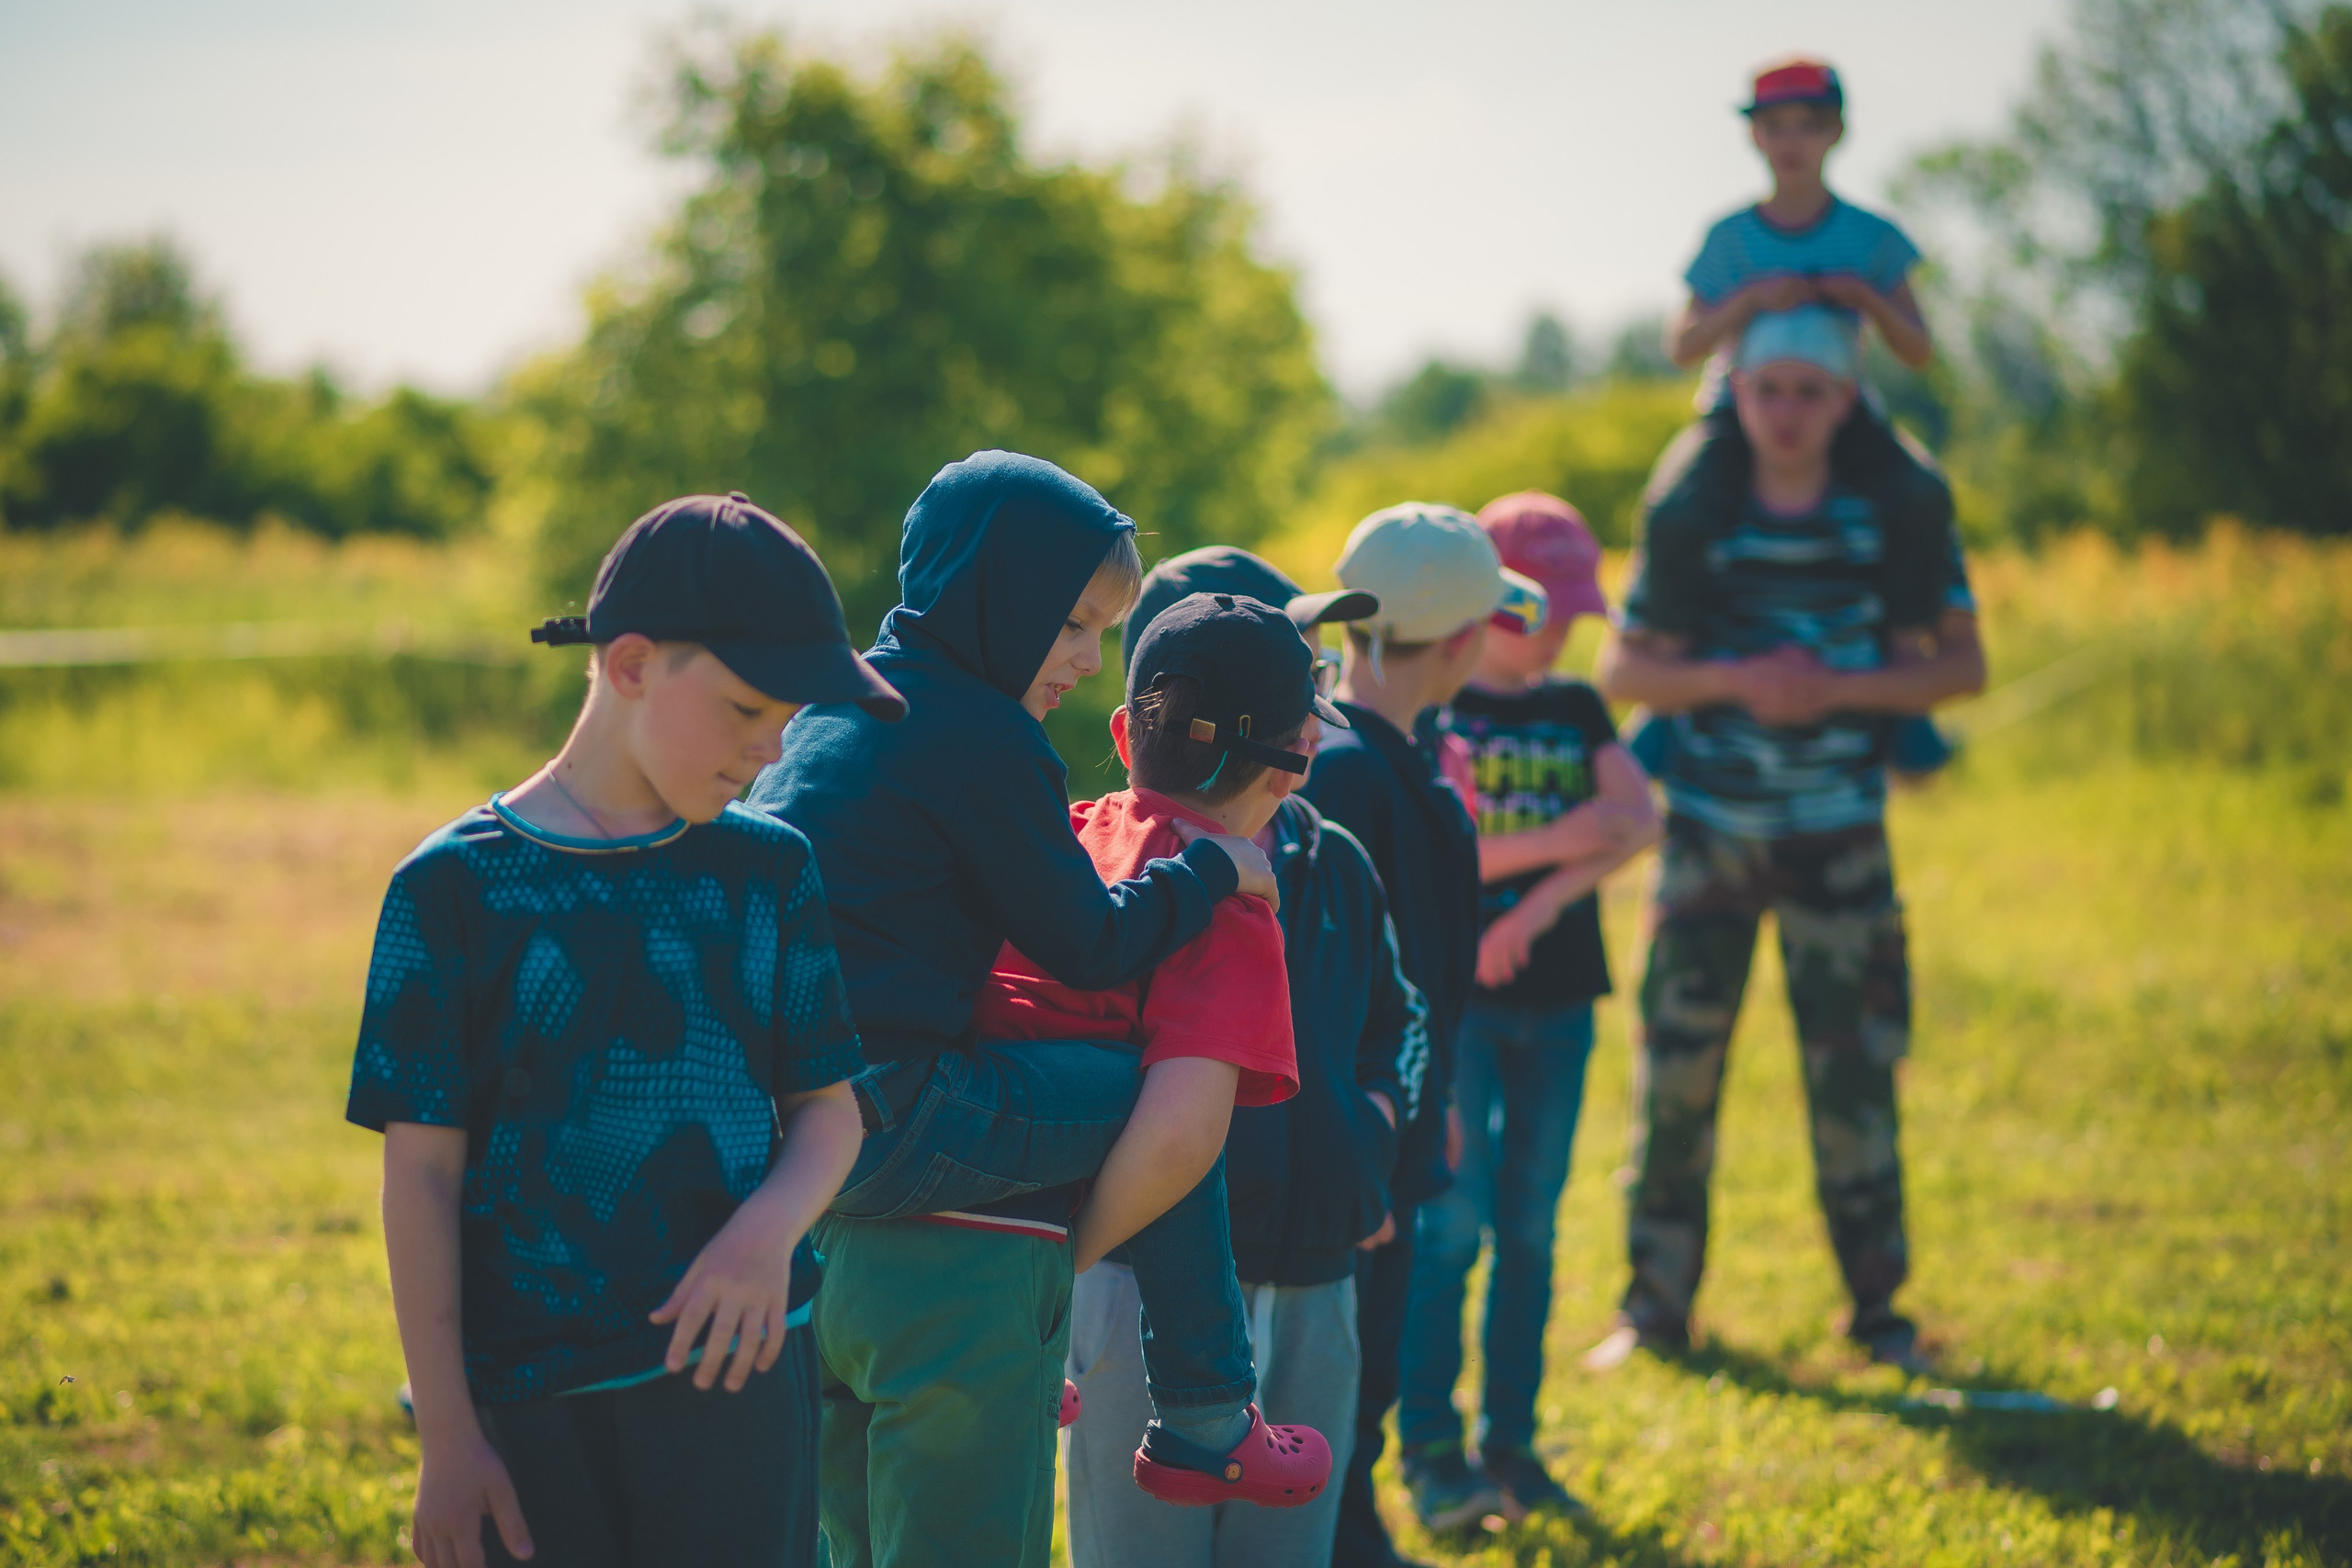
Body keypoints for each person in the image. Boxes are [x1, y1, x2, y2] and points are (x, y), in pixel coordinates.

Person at [745, 452, 1298, 1568]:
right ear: (992, 599)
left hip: (785, 1139)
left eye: (1106, 632)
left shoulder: (830, 708)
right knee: (1161, 1107)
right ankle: (1204, 1411)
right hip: (898, 1118)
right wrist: (1214, 871)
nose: (1090, 663)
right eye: (1071, 627)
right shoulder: (982, 739)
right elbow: (1086, 941)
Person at [348, 492, 896, 1568]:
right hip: (527, 1407)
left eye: (785, 722)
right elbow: (420, 1177)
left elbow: (829, 1114)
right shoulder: (452, 890)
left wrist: (765, 1231)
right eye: (745, 711)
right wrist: (449, 1436)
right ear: (633, 663)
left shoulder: (770, 872)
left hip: (740, 1389)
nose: (767, 750)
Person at [1590, 308, 1984, 1375]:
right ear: (1736, 393)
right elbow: (1625, 672)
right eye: (1768, 391)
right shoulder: (1698, 504)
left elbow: (1962, 665)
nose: (1788, 413)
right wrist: (1734, 681)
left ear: (1848, 399)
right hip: (1707, 834)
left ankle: (1880, 1315)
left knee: (1854, 1079)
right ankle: (1654, 1314)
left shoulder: (1890, 507)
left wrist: (1839, 691)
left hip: (1840, 836)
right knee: (1673, 1081)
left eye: (1812, 392)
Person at [1063, 549, 1429, 1568]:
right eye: (1287, 658)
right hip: (1141, 1275)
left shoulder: (1332, 856)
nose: (1311, 684)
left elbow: (1397, 1018)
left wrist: (1370, 1139)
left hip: (1316, 1266)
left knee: (1288, 1541)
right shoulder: (1121, 868)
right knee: (1141, 1543)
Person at [1395, 494, 1659, 1532]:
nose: (1562, 632)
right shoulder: (1443, 709)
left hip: (1554, 1002)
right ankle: (1428, 1446)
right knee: (1449, 1224)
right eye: (1545, 610)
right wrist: (1567, 840)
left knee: (1532, 1227)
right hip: (1459, 1006)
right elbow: (1442, 842)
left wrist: (1539, 900)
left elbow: (1636, 818)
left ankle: (1512, 1442)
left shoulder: (1577, 706)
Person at [1301, 503, 1549, 1568]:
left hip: (1397, 1107)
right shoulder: (1352, 773)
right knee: (1348, 1355)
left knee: (1373, 1343)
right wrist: (1387, 1127)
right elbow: (1348, 984)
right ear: (1459, 642)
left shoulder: (1390, 749)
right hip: (1361, 1123)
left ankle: (1353, 1529)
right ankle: (1341, 1539)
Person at [1653, 57, 1942, 545]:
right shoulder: (1729, 239)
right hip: (1737, 413)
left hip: (1839, 410)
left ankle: (1910, 623)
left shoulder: (1873, 237)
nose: (1790, 143)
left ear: (1836, 132)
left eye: (1808, 126)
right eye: (1773, 127)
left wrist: (1864, 297)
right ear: (1754, 136)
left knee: (1921, 495)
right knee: (1674, 507)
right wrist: (1750, 299)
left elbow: (1919, 351)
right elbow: (1681, 349)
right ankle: (1663, 623)